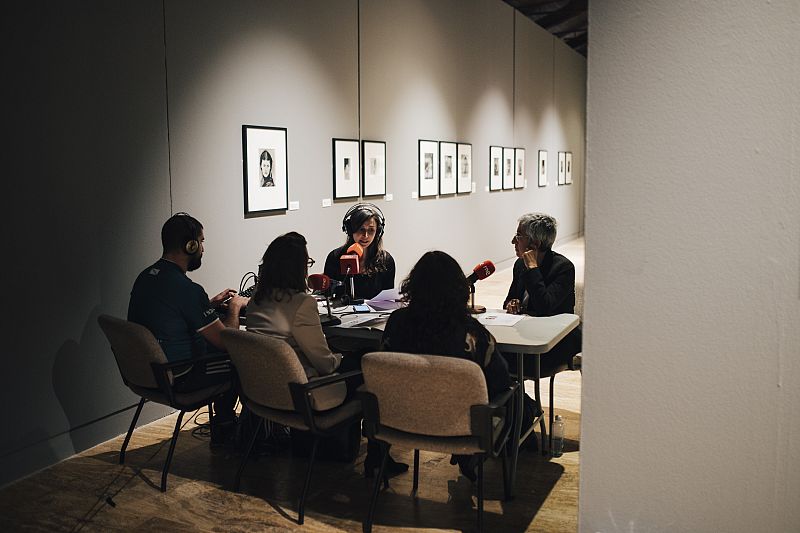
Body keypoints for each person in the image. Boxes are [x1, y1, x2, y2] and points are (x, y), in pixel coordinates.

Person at [246, 231, 407, 477]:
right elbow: (325, 364)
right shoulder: (301, 303)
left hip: (265, 390)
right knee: (374, 367)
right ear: (296, 267)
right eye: (306, 263)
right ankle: (378, 458)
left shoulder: (256, 300)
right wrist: (342, 357)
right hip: (305, 391)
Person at [380, 250, 528, 482]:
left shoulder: (396, 323)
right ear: (459, 289)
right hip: (461, 425)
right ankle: (477, 459)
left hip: (402, 420)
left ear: (413, 287)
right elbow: (499, 381)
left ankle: (375, 461)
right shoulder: (472, 334)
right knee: (516, 396)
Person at [127, 212, 248, 446]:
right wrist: (235, 307)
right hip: (181, 376)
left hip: (148, 373)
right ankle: (229, 433)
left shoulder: (145, 277)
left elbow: (168, 314)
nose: (203, 248)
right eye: (201, 242)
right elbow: (226, 341)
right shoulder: (187, 289)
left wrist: (208, 306)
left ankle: (226, 428)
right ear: (189, 246)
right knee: (242, 361)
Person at [504, 212, 582, 376]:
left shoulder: (563, 268)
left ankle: (520, 402)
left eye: (518, 236)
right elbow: (509, 300)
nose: (513, 241)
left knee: (504, 364)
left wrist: (533, 269)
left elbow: (544, 307)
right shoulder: (519, 265)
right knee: (495, 358)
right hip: (525, 335)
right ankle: (520, 402)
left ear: (535, 244)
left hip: (555, 343)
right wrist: (512, 303)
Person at [323, 203, 394, 301]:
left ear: (378, 232)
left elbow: (388, 298)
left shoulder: (386, 261)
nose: (365, 235)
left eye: (371, 230)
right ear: (350, 229)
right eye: (361, 229)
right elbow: (328, 293)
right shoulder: (335, 257)